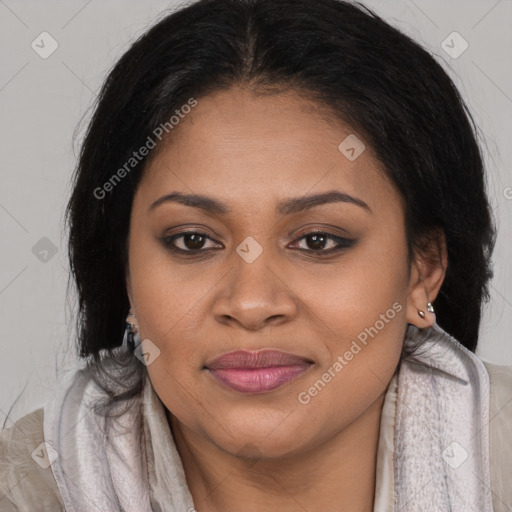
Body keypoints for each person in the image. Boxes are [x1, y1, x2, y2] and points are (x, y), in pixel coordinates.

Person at [1, 0, 511, 510]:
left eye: (318, 240)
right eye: (192, 241)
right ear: (125, 274)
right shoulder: (26, 489)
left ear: (422, 270)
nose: (250, 304)